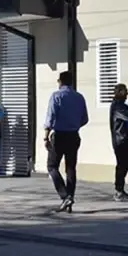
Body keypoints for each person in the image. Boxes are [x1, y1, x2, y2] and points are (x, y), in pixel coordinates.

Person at [43, 70, 88, 212]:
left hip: (60, 135)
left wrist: (46, 135)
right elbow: (85, 119)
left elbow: (50, 117)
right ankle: (70, 197)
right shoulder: (79, 97)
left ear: (60, 81)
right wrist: (74, 125)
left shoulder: (56, 96)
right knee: (70, 168)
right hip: (73, 135)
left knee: (52, 166)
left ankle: (65, 196)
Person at [109, 84, 128, 200]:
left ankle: (120, 189)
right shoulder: (118, 107)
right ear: (118, 92)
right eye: (124, 91)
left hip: (122, 138)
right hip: (120, 139)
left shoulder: (119, 105)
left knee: (123, 165)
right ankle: (119, 190)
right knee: (122, 165)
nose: (127, 94)